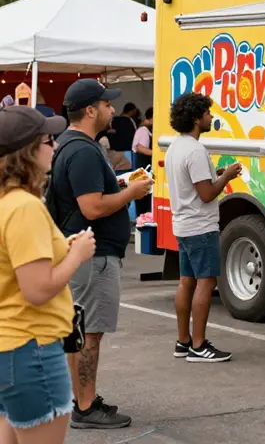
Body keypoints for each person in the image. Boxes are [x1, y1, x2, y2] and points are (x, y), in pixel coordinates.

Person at [49, 79, 152, 430]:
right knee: (90, 332)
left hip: (86, 253)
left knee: (81, 330)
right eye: (107, 104)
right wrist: (132, 192)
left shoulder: (73, 145)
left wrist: (120, 185)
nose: (113, 110)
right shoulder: (84, 151)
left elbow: (88, 196)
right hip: (94, 256)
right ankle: (86, 406)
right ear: (91, 110)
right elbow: (92, 207)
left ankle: (81, 399)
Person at [0, 104, 96, 443]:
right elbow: (37, 290)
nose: (55, 147)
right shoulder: (24, 206)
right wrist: (78, 256)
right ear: (25, 153)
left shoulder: (7, 202)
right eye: (47, 141)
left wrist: (59, 251)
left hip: (12, 346)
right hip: (33, 348)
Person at [165, 92, 241, 363]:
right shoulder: (196, 150)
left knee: (186, 281)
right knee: (205, 283)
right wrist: (228, 177)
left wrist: (216, 174)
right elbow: (207, 194)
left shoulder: (176, 147)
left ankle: (183, 341)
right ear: (197, 118)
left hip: (182, 224)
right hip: (201, 225)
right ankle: (199, 345)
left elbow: (195, 184)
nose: (211, 116)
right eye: (207, 113)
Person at [132, 107, 154, 216]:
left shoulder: (146, 129)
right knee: (143, 195)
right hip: (143, 166)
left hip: (145, 167)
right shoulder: (144, 130)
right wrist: (155, 153)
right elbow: (140, 148)